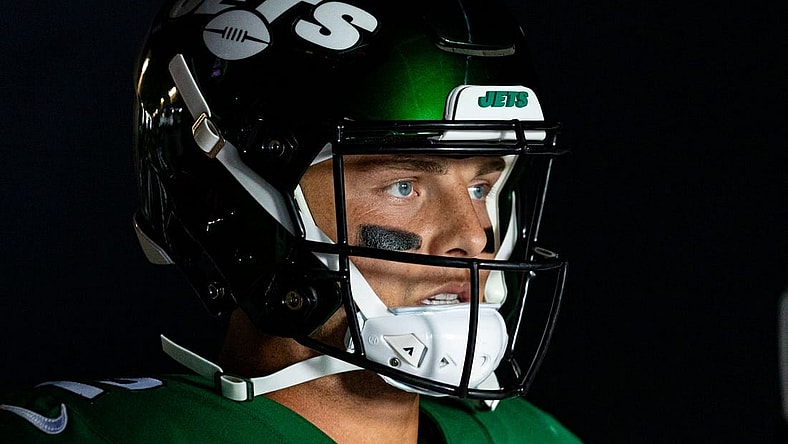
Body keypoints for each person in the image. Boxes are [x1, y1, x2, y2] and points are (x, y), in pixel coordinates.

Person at [0, 0, 580, 442]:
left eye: (481, 185)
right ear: (230, 199)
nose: (474, 235)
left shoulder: (525, 434)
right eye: (405, 186)